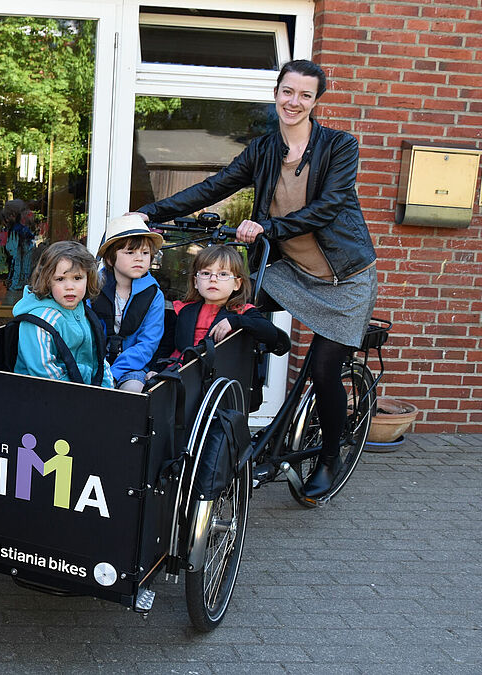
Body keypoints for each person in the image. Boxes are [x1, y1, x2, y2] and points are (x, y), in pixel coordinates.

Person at [132, 59, 377, 498]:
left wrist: (269, 228)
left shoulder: (340, 146)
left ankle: (328, 457)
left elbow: (331, 205)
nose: (294, 101)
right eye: (288, 91)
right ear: (277, 93)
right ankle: (240, 416)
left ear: (316, 100)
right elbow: (217, 185)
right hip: (291, 270)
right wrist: (150, 212)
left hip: (345, 279)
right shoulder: (264, 149)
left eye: (305, 94)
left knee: (323, 369)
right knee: (229, 318)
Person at [154, 246, 289, 369]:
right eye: (206, 273)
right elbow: (165, 348)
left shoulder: (242, 312)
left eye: (223, 274)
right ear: (196, 282)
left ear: (237, 284)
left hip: (219, 378)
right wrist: (155, 370)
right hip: (177, 374)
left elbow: (271, 334)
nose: (213, 279)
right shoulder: (181, 310)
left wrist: (236, 321)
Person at [13, 240, 114, 387]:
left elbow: (98, 361)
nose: (70, 287)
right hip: (42, 397)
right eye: (60, 279)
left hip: (83, 393)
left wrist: (107, 391)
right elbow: (45, 374)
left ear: (88, 278)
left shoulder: (85, 313)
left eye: (77, 278)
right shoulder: (39, 321)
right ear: (47, 281)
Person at [89, 215, 166, 392]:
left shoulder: (154, 295)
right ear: (110, 259)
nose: (139, 258)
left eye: (145, 253)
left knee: (132, 391)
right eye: (130, 253)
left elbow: (147, 344)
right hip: (95, 361)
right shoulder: (93, 288)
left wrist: (113, 374)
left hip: (132, 367)